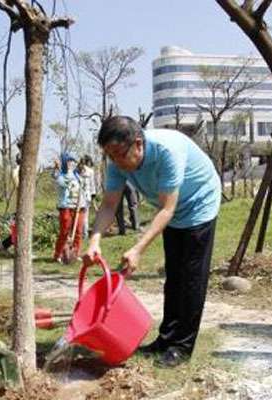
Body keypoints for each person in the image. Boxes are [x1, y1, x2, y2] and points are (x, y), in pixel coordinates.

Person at [84, 116, 221, 368]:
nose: (115, 162)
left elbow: (167, 210)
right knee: (174, 276)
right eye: (109, 156)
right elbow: (109, 204)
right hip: (170, 211)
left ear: (138, 143)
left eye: (118, 154)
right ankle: (165, 339)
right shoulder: (118, 162)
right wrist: (94, 240)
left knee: (191, 278)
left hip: (198, 203)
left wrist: (138, 249)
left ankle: (182, 347)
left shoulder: (167, 151)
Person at [53, 153, 85, 263]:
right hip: (66, 206)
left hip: (79, 206)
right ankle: (58, 254)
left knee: (79, 231)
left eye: (72, 161)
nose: (71, 163)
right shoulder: (61, 175)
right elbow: (59, 180)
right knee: (65, 231)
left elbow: (83, 188)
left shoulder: (78, 175)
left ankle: (75, 253)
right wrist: (57, 168)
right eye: (69, 161)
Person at [77, 155, 96, 240]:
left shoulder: (76, 170)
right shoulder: (90, 171)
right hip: (86, 196)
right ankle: (84, 235)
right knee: (85, 216)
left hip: (76, 196)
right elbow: (92, 186)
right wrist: (93, 198)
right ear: (88, 162)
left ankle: (78, 234)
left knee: (77, 216)